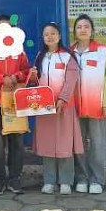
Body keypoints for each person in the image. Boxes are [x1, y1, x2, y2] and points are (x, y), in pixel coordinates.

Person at [33, 22, 84, 195]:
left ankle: (66, 181)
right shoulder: (40, 56)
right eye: (46, 34)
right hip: (44, 108)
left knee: (64, 145)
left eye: (53, 33)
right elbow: (36, 80)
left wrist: (63, 99)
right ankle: (49, 181)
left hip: (64, 107)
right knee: (47, 145)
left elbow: (71, 80)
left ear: (60, 36)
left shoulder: (67, 56)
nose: (50, 37)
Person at [0, 15, 30, 195]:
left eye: (7, 26)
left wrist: (15, 77)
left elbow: (26, 71)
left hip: (16, 101)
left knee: (17, 141)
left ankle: (15, 179)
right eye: (0, 27)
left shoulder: (19, 50)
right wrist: (1, 79)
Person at [71, 14, 106, 194]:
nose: (83, 30)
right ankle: (82, 177)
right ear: (74, 31)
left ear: (92, 30)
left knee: (97, 144)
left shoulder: (102, 51)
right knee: (78, 144)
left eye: (86, 26)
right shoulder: (68, 52)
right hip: (74, 106)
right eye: (79, 27)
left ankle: (97, 179)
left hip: (96, 104)